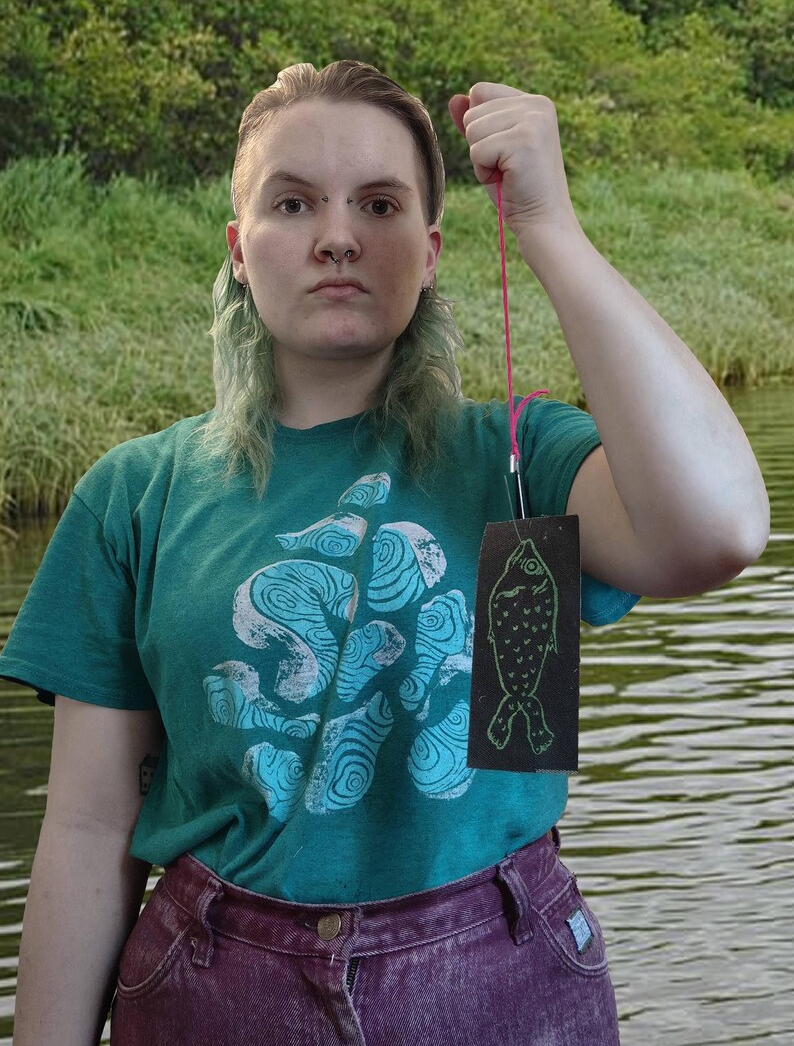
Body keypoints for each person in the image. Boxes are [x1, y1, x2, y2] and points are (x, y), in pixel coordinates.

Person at [2, 60, 769, 1046]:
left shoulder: (521, 456)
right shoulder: (133, 494)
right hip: (211, 984)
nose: (335, 236)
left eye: (378, 202)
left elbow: (717, 530)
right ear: (240, 250)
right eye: (292, 203)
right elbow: (86, 832)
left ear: (432, 249)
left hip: (500, 977)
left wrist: (549, 230)